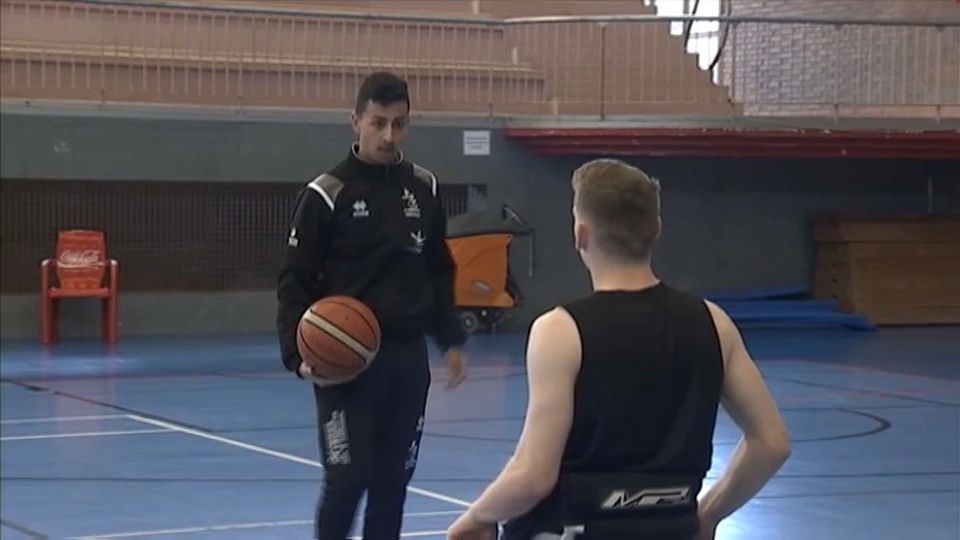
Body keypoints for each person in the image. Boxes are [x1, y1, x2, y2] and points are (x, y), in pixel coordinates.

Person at [446, 158, 792, 540]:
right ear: (656, 228)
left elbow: (532, 476)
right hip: (671, 527)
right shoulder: (714, 322)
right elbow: (772, 443)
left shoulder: (560, 331)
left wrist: (477, 516)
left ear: (580, 233)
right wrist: (707, 513)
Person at [276, 71, 469, 540]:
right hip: (344, 362)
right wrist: (297, 358)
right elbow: (294, 281)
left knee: (392, 484)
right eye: (378, 123)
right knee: (347, 480)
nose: (388, 135)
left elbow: (438, 267)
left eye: (398, 124)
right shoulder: (326, 194)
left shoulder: (423, 188)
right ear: (356, 122)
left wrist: (450, 338)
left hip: (406, 359)